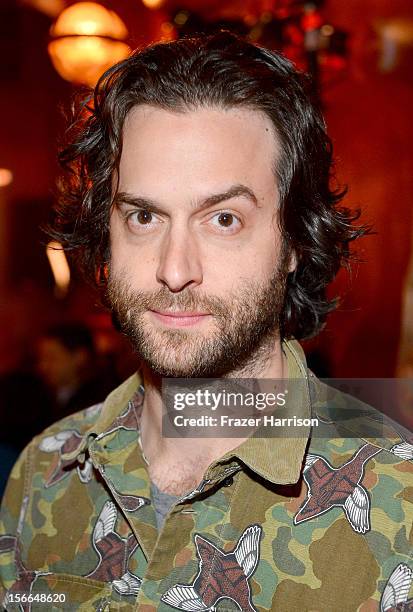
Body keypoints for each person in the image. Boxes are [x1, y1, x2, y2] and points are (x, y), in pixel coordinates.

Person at [1, 32, 412, 612]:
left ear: (294, 238)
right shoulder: (45, 471)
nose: (174, 270)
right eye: (144, 216)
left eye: (223, 219)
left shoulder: (400, 504)